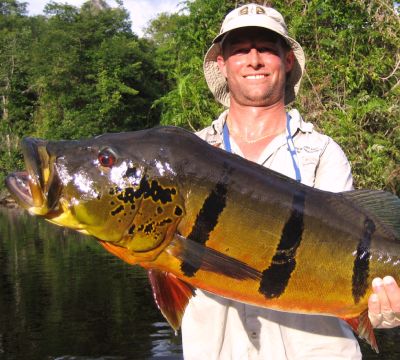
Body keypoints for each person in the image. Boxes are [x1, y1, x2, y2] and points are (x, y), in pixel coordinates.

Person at [181, 4, 400, 359]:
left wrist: (381, 309)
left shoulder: (323, 153)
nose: (254, 60)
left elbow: (357, 262)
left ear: (286, 61)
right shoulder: (187, 157)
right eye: (240, 49)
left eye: (266, 48)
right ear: (222, 64)